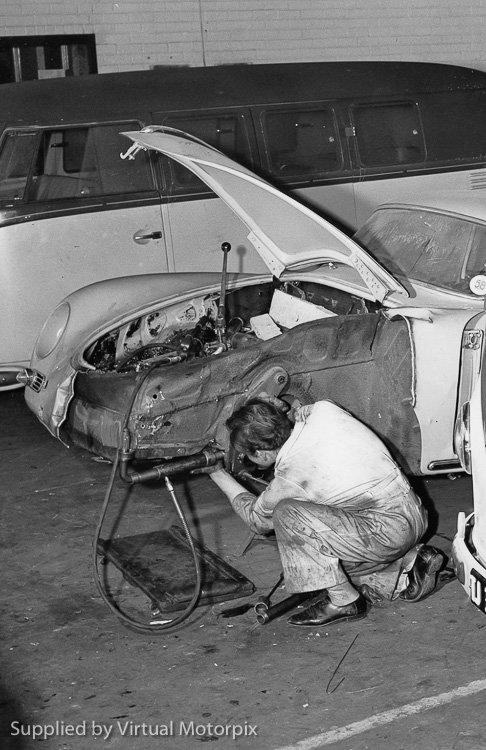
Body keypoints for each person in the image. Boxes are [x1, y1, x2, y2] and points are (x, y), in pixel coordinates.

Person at [208, 398, 444, 627]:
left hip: (386, 535)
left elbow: (256, 520)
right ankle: (413, 560)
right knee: (320, 550)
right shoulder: (324, 410)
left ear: (261, 453)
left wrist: (216, 472)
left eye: (247, 455)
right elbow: (300, 413)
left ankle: (346, 600)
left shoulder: (291, 474)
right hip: (415, 514)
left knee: (297, 534)